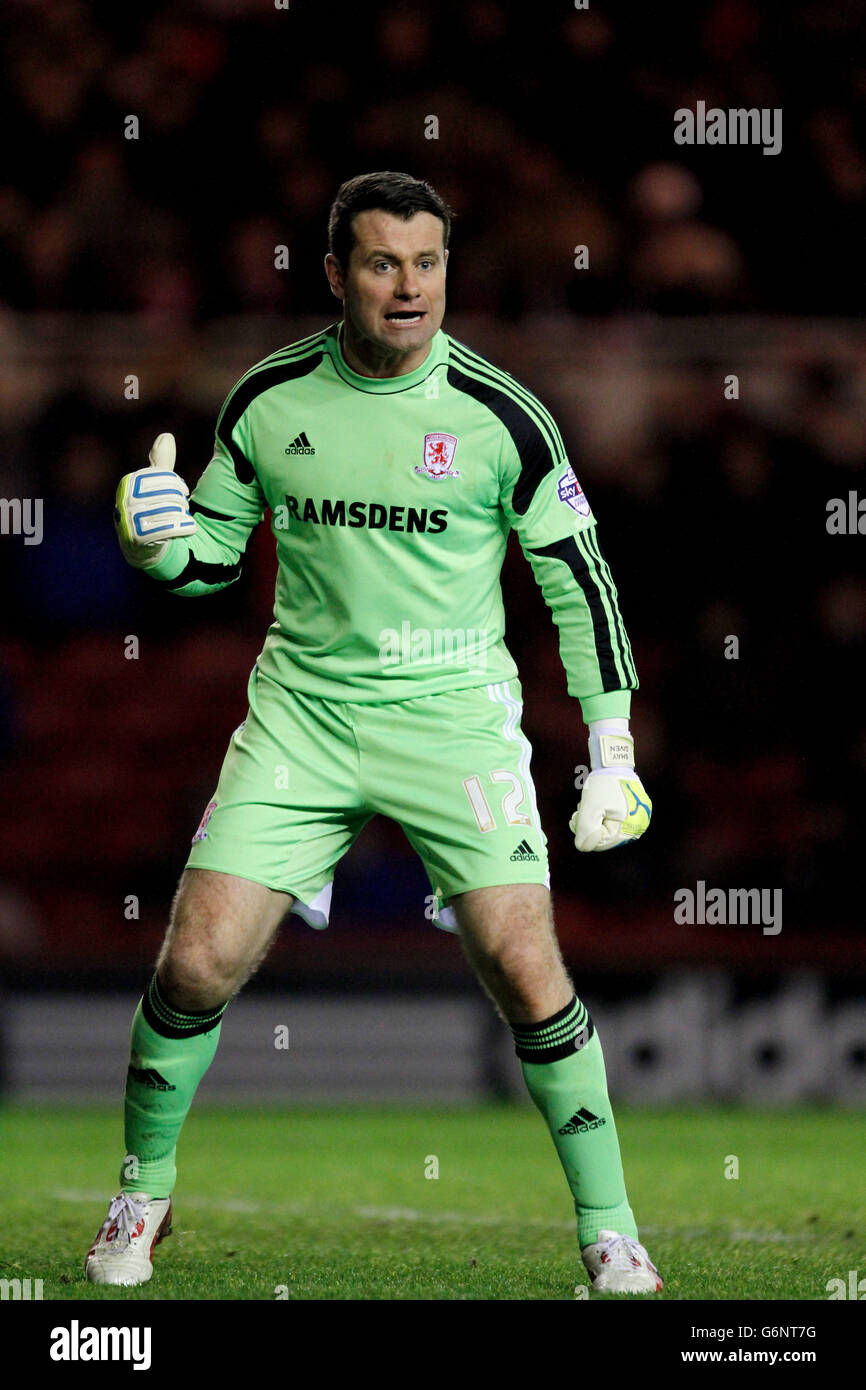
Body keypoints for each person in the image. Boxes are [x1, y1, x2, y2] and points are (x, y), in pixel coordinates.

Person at [87, 171, 661, 1295]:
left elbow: (576, 583)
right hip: (300, 718)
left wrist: (612, 752)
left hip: (453, 724)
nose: (410, 287)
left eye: (429, 262)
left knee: (523, 962)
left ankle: (609, 1227)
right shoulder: (268, 399)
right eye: (385, 264)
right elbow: (208, 556)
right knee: (196, 958)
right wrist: (157, 548)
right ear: (336, 275)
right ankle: (140, 1194)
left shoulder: (502, 416)